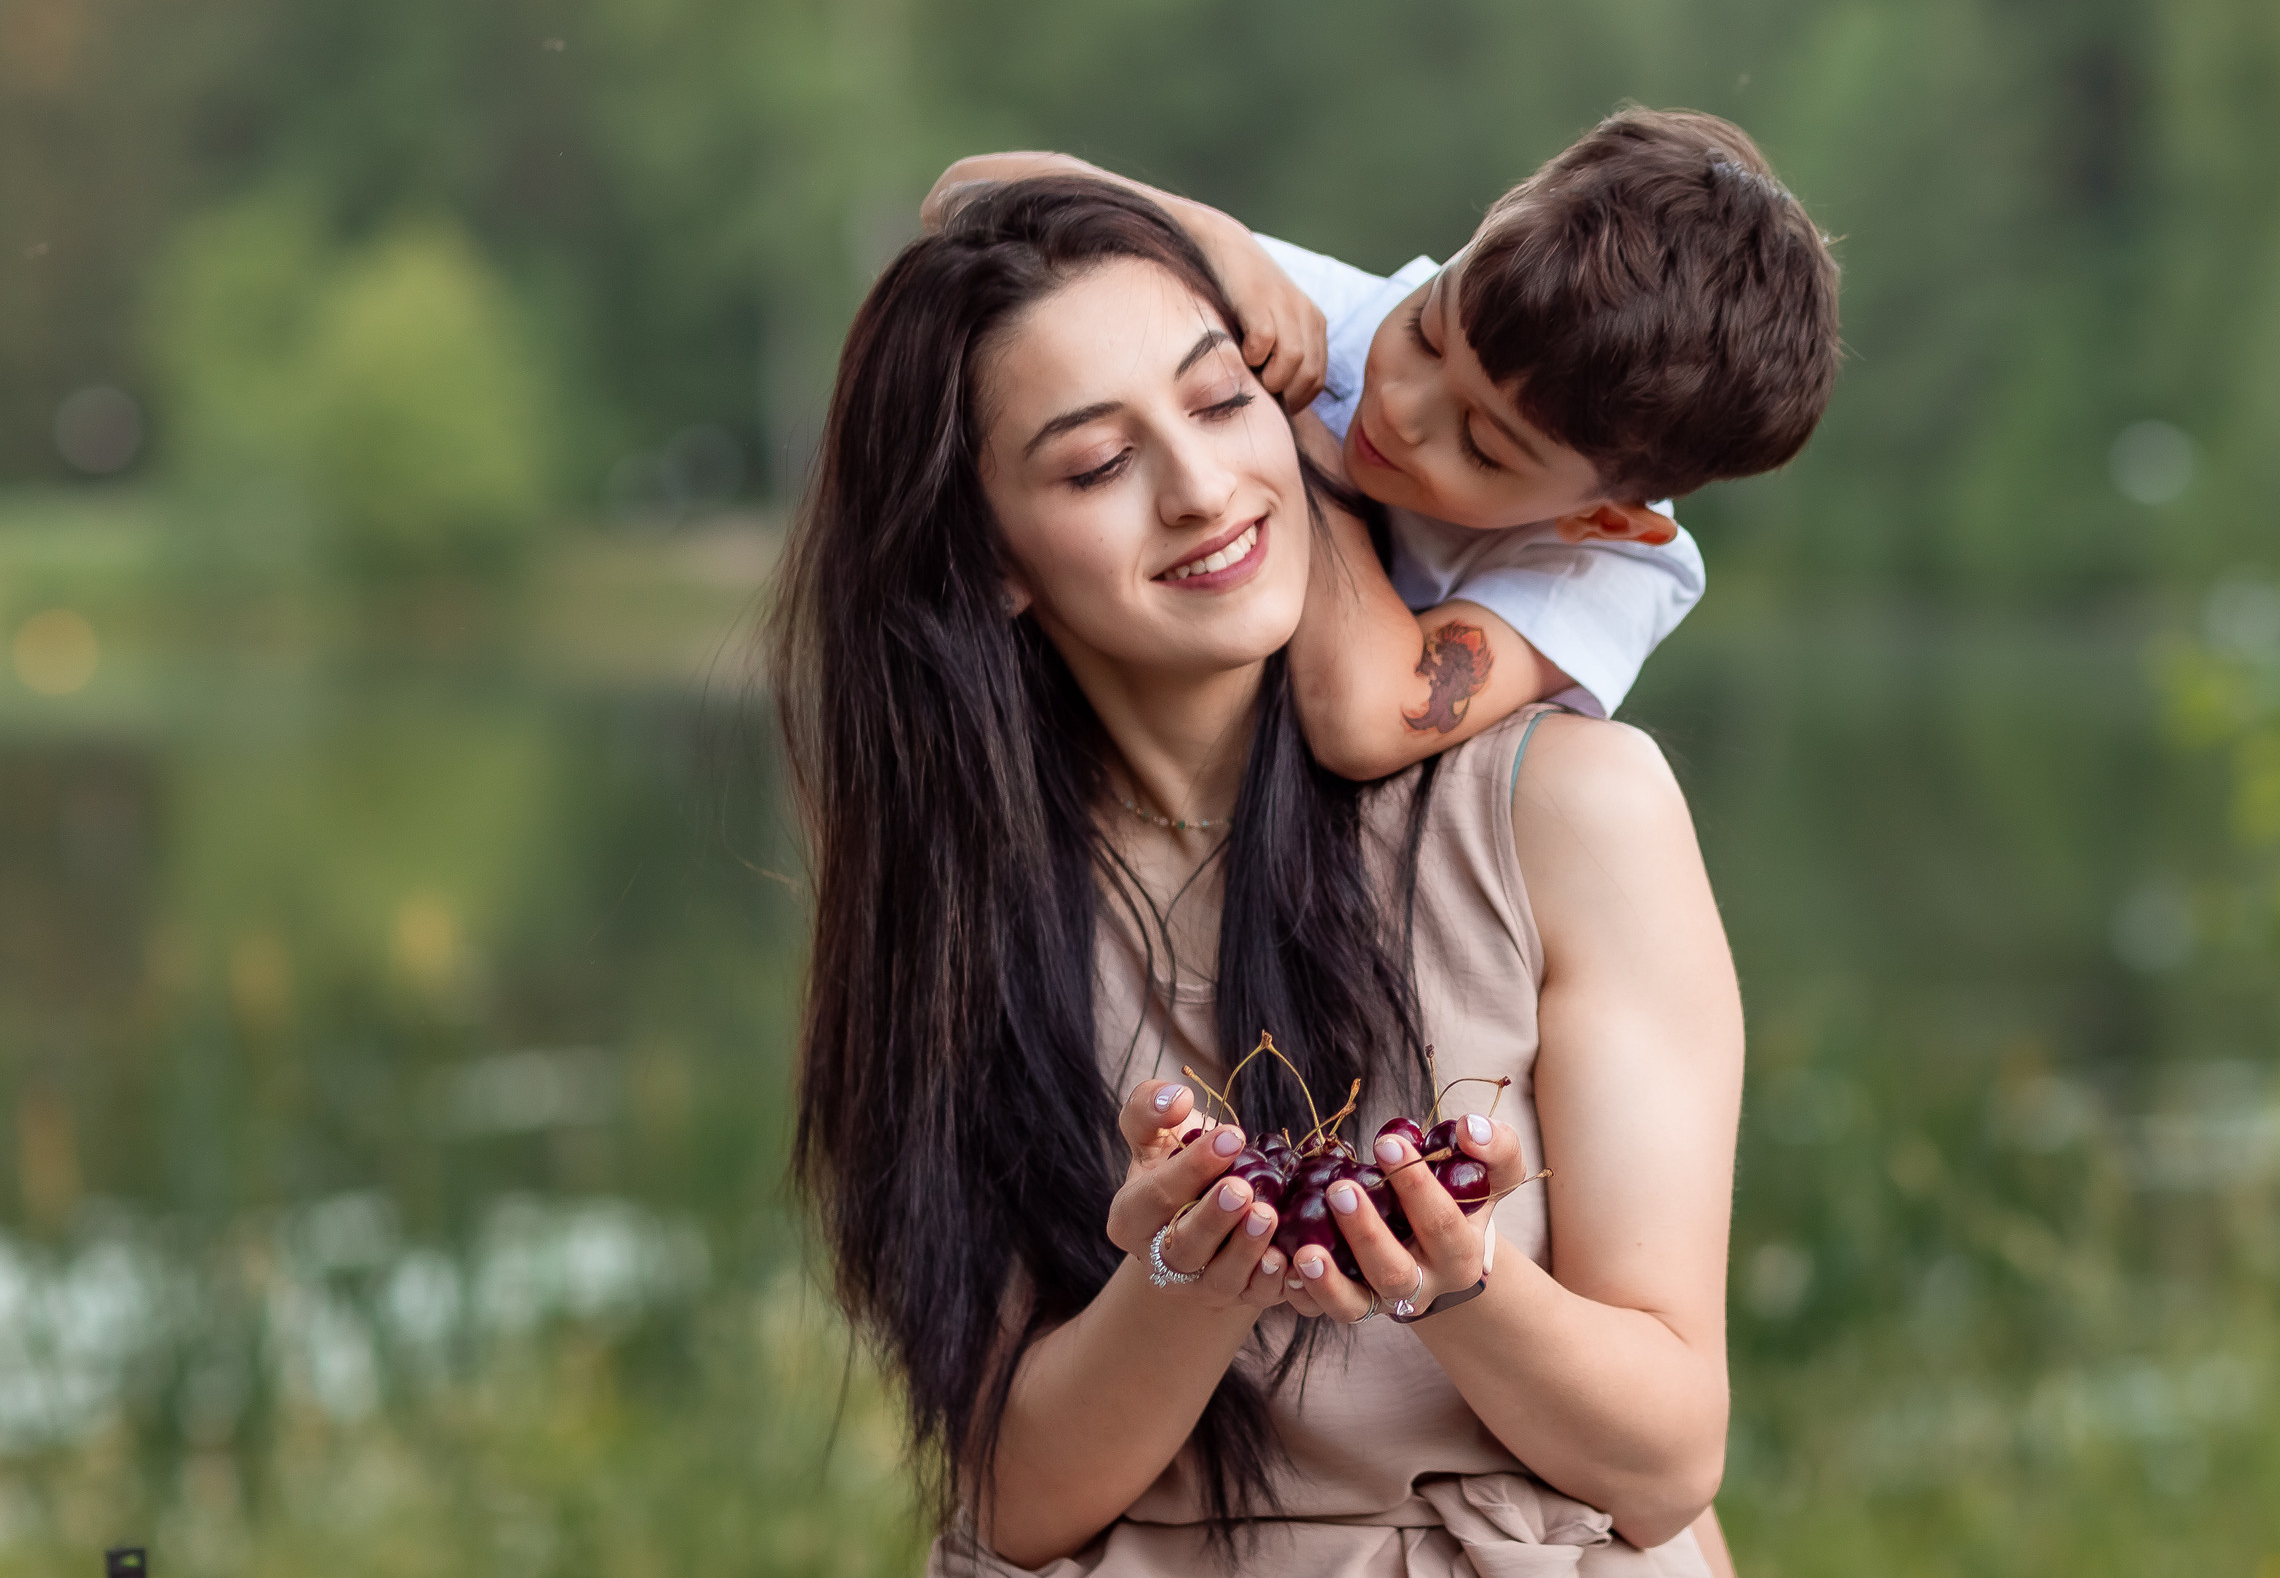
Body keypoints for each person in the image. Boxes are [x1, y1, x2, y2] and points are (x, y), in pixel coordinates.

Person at [770, 175, 1745, 1576]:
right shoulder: (964, 897)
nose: (1204, 488)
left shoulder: (1571, 808)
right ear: (991, 557)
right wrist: (1187, 1276)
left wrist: (1451, 1275)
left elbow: (1665, 1462)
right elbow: (1014, 1502)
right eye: (1099, 466)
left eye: (1227, 404)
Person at [922, 108, 1839, 780]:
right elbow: (964, 197)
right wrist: (1205, 235)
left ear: (1603, 513)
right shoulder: (1336, 315)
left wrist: (1306, 455)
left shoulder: (1610, 569)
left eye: (1481, 445)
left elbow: (1365, 718)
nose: (1400, 405)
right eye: (1428, 330)